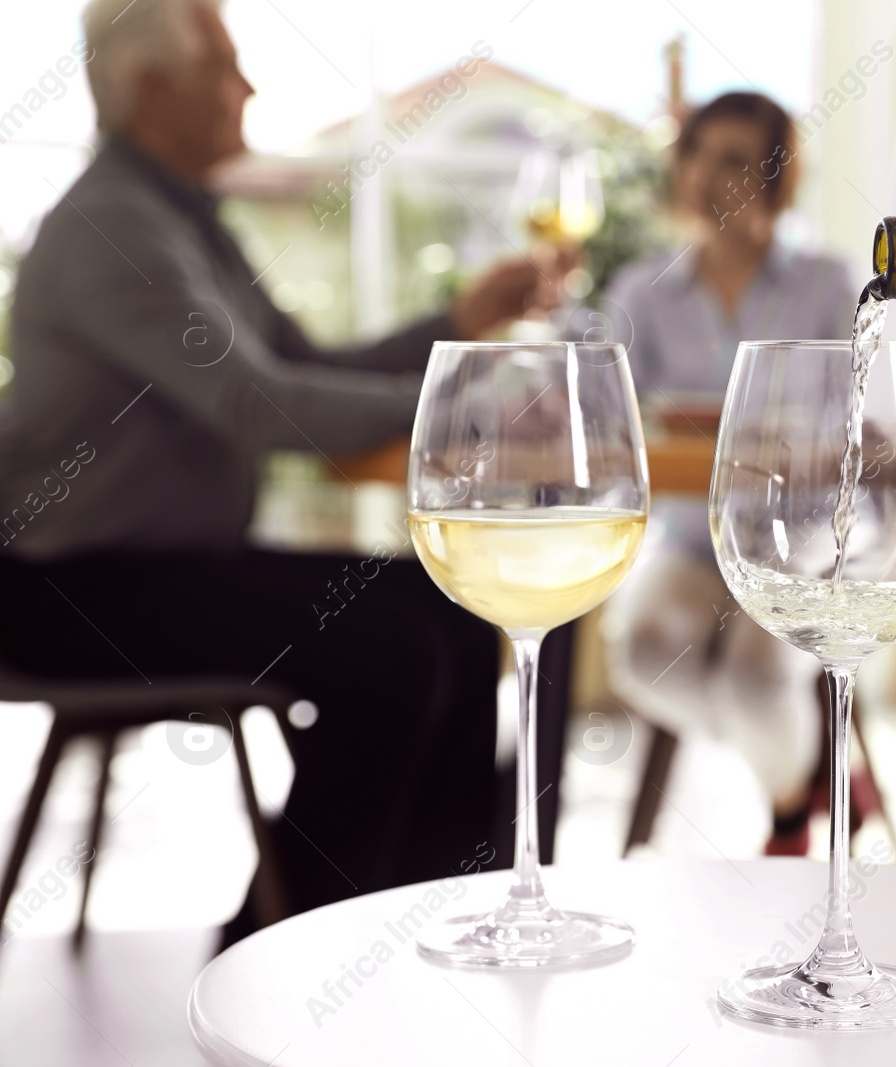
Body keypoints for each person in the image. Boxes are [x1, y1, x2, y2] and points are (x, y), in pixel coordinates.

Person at [0, 0, 567, 944]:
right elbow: (254, 405)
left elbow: (311, 370)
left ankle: (422, 922)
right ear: (151, 90)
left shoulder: (187, 220)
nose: (250, 87)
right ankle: (289, 948)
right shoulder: (115, 228)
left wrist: (455, 327)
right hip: (67, 589)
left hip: (160, 567)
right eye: (225, 66)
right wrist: (469, 410)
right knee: (390, 650)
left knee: (459, 612)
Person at [597, 92, 860, 854]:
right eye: (698, 155)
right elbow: (613, 419)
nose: (708, 176)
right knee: (644, 653)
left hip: (804, 535)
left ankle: (785, 818)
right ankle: (807, 775)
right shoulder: (638, 291)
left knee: (754, 674)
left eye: (735, 160)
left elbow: (854, 417)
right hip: (689, 539)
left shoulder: (825, 284)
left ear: (776, 179)